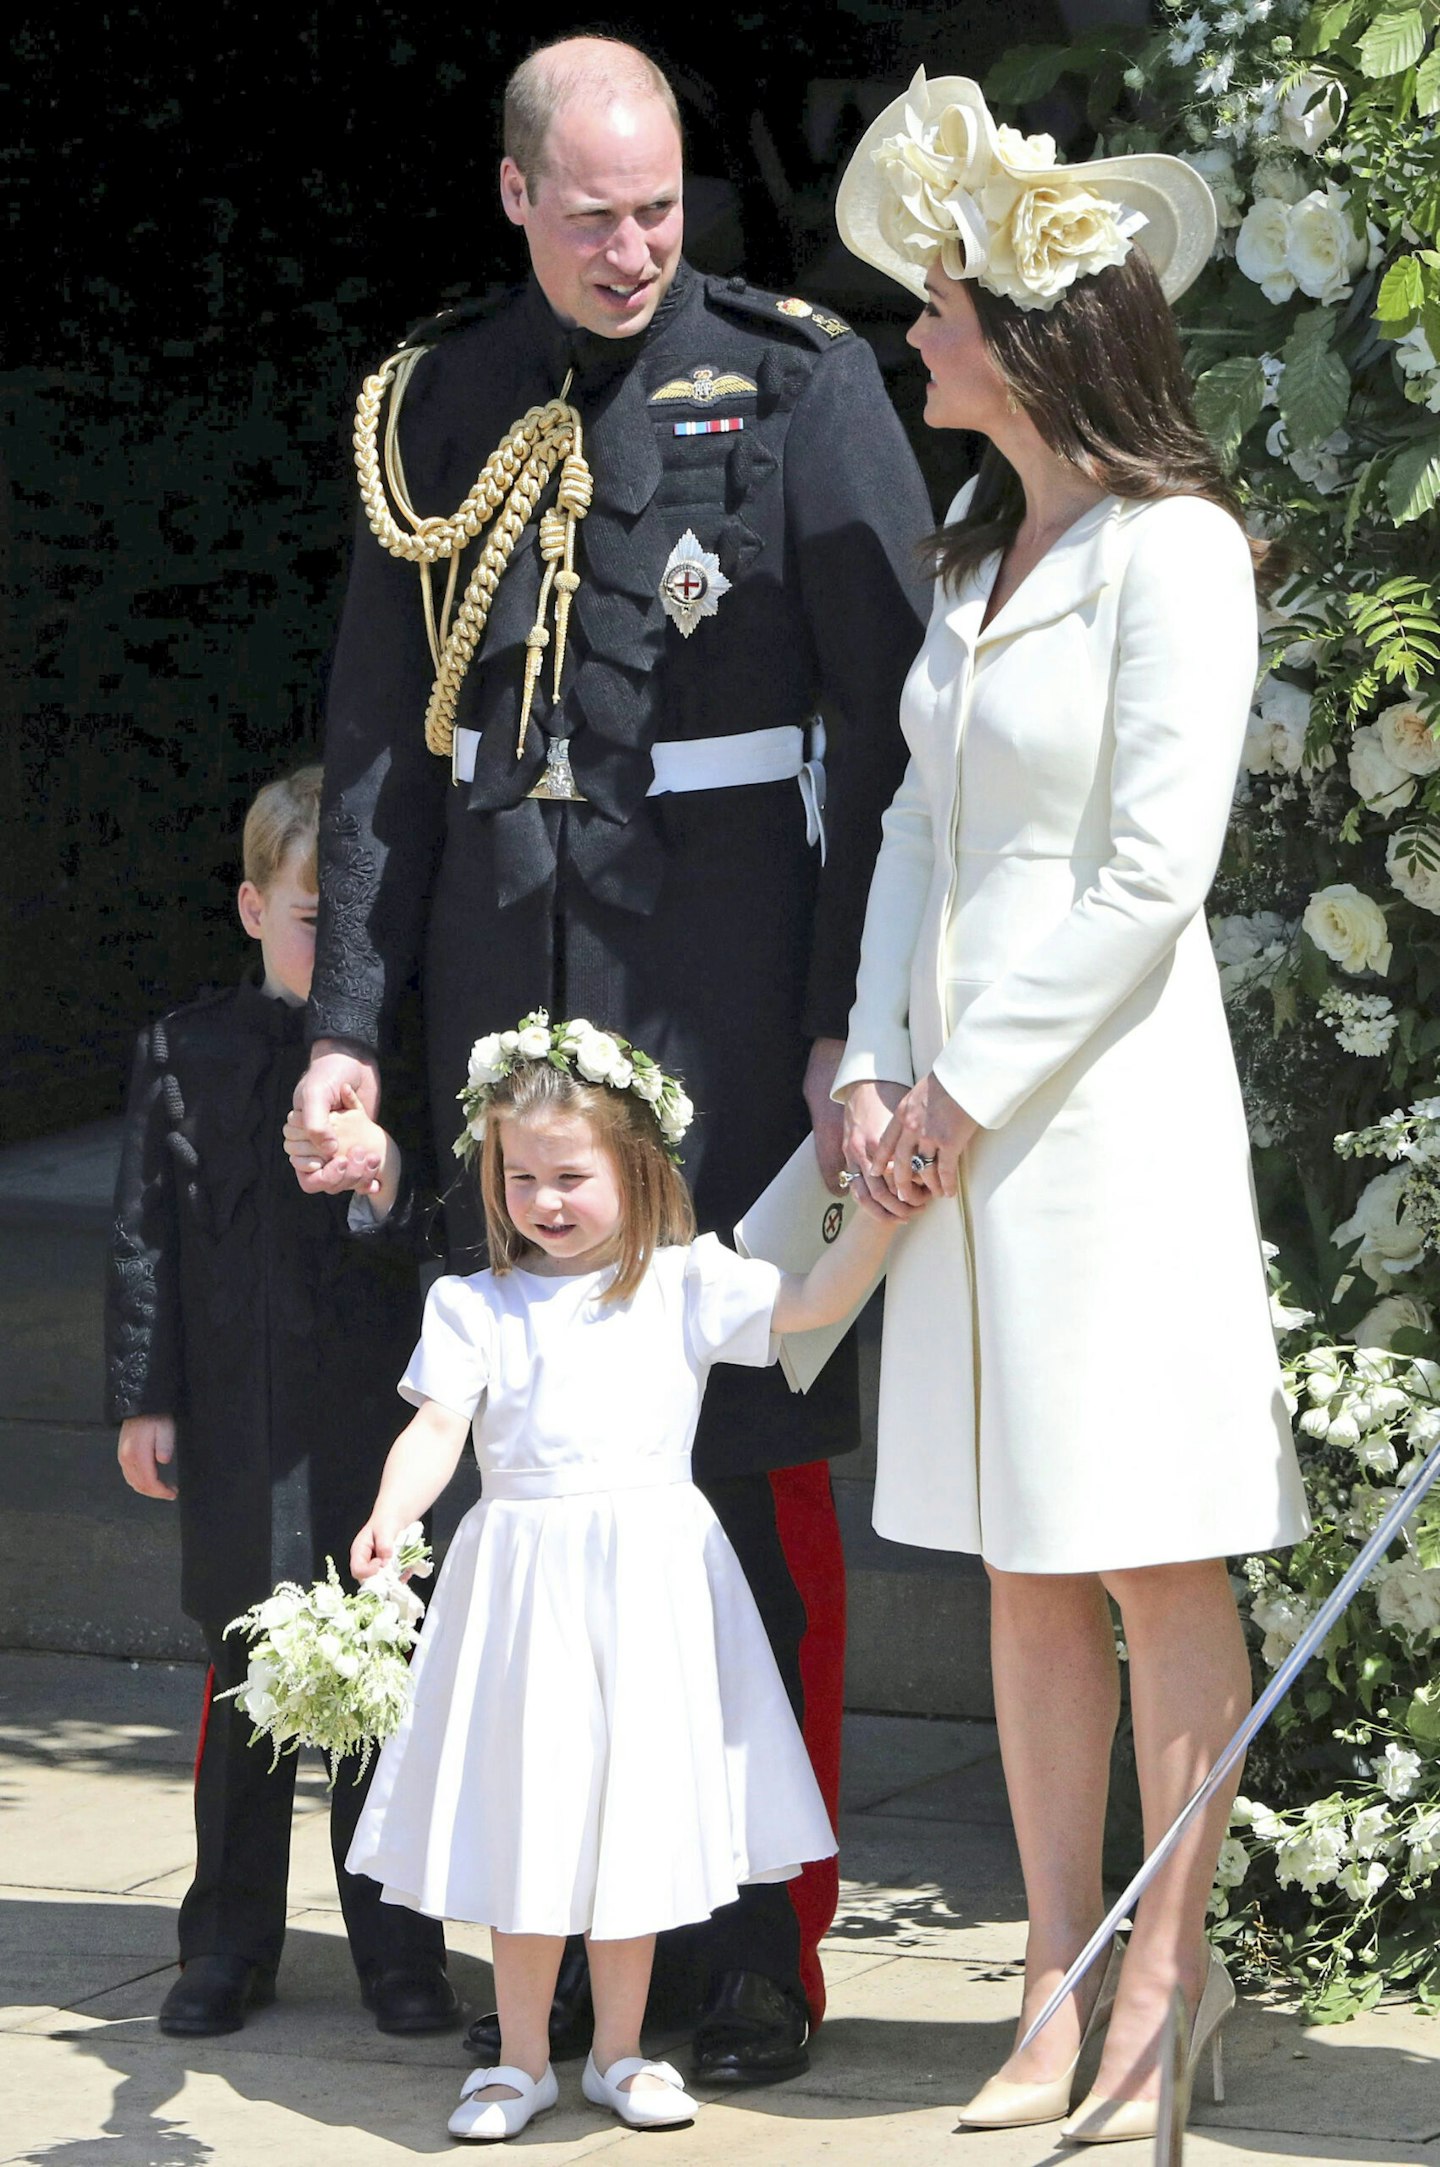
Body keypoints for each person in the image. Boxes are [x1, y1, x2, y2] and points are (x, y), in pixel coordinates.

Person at [292, 32, 932, 2080]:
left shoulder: (801, 376)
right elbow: (387, 751)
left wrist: (857, 1018)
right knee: (516, 1473)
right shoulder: (440, 404)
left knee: (739, 1475)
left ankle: (762, 1936)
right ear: (513, 197)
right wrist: (348, 1043)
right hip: (510, 991)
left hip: (731, 999)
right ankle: (518, 1938)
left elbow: (890, 731)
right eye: (594, 214)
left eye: (660, 208)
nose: (635, 246)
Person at [829, 73, 1310, 2144]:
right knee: (1028, 1564)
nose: (915, 333)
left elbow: (1148, 875)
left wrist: (965, 1084)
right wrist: (867, 1068)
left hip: (1098, 1120)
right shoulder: (974, 555)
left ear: (1031, 333)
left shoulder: (1172, 551)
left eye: (938, 302)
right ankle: (1051, 1970)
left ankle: (1167, 1980)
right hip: (948, 1118)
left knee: (1143, 1557)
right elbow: (918, 840)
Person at [338, 1016, 913, 2142]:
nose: (544, 1199)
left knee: (632, 1818)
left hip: (649, 1588)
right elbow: (437, 1426)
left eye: (571, 1175)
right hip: (524, 1594)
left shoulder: (684, 1285)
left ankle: (619, 2049)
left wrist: (881, 1221)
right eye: (521, 1177)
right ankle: (516, 2060)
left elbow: (808, 1302)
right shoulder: (476, 1305)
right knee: (532, 1815)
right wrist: (390, 1513)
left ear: (635, 1170)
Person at [105, 767, 454, 2039]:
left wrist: (381, 1178)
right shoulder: (186, 1048)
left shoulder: (397, 1058)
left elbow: (433, 1234)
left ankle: (399, 1948)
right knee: (246, 1678)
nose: (332, 950)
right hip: (241, 1414)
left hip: (366, 1410)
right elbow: (146, 1237)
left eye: (354, 929)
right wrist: (148, 1398)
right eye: (313, 920)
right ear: (255, 910)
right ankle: (228, 1942)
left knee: (376, 1677)